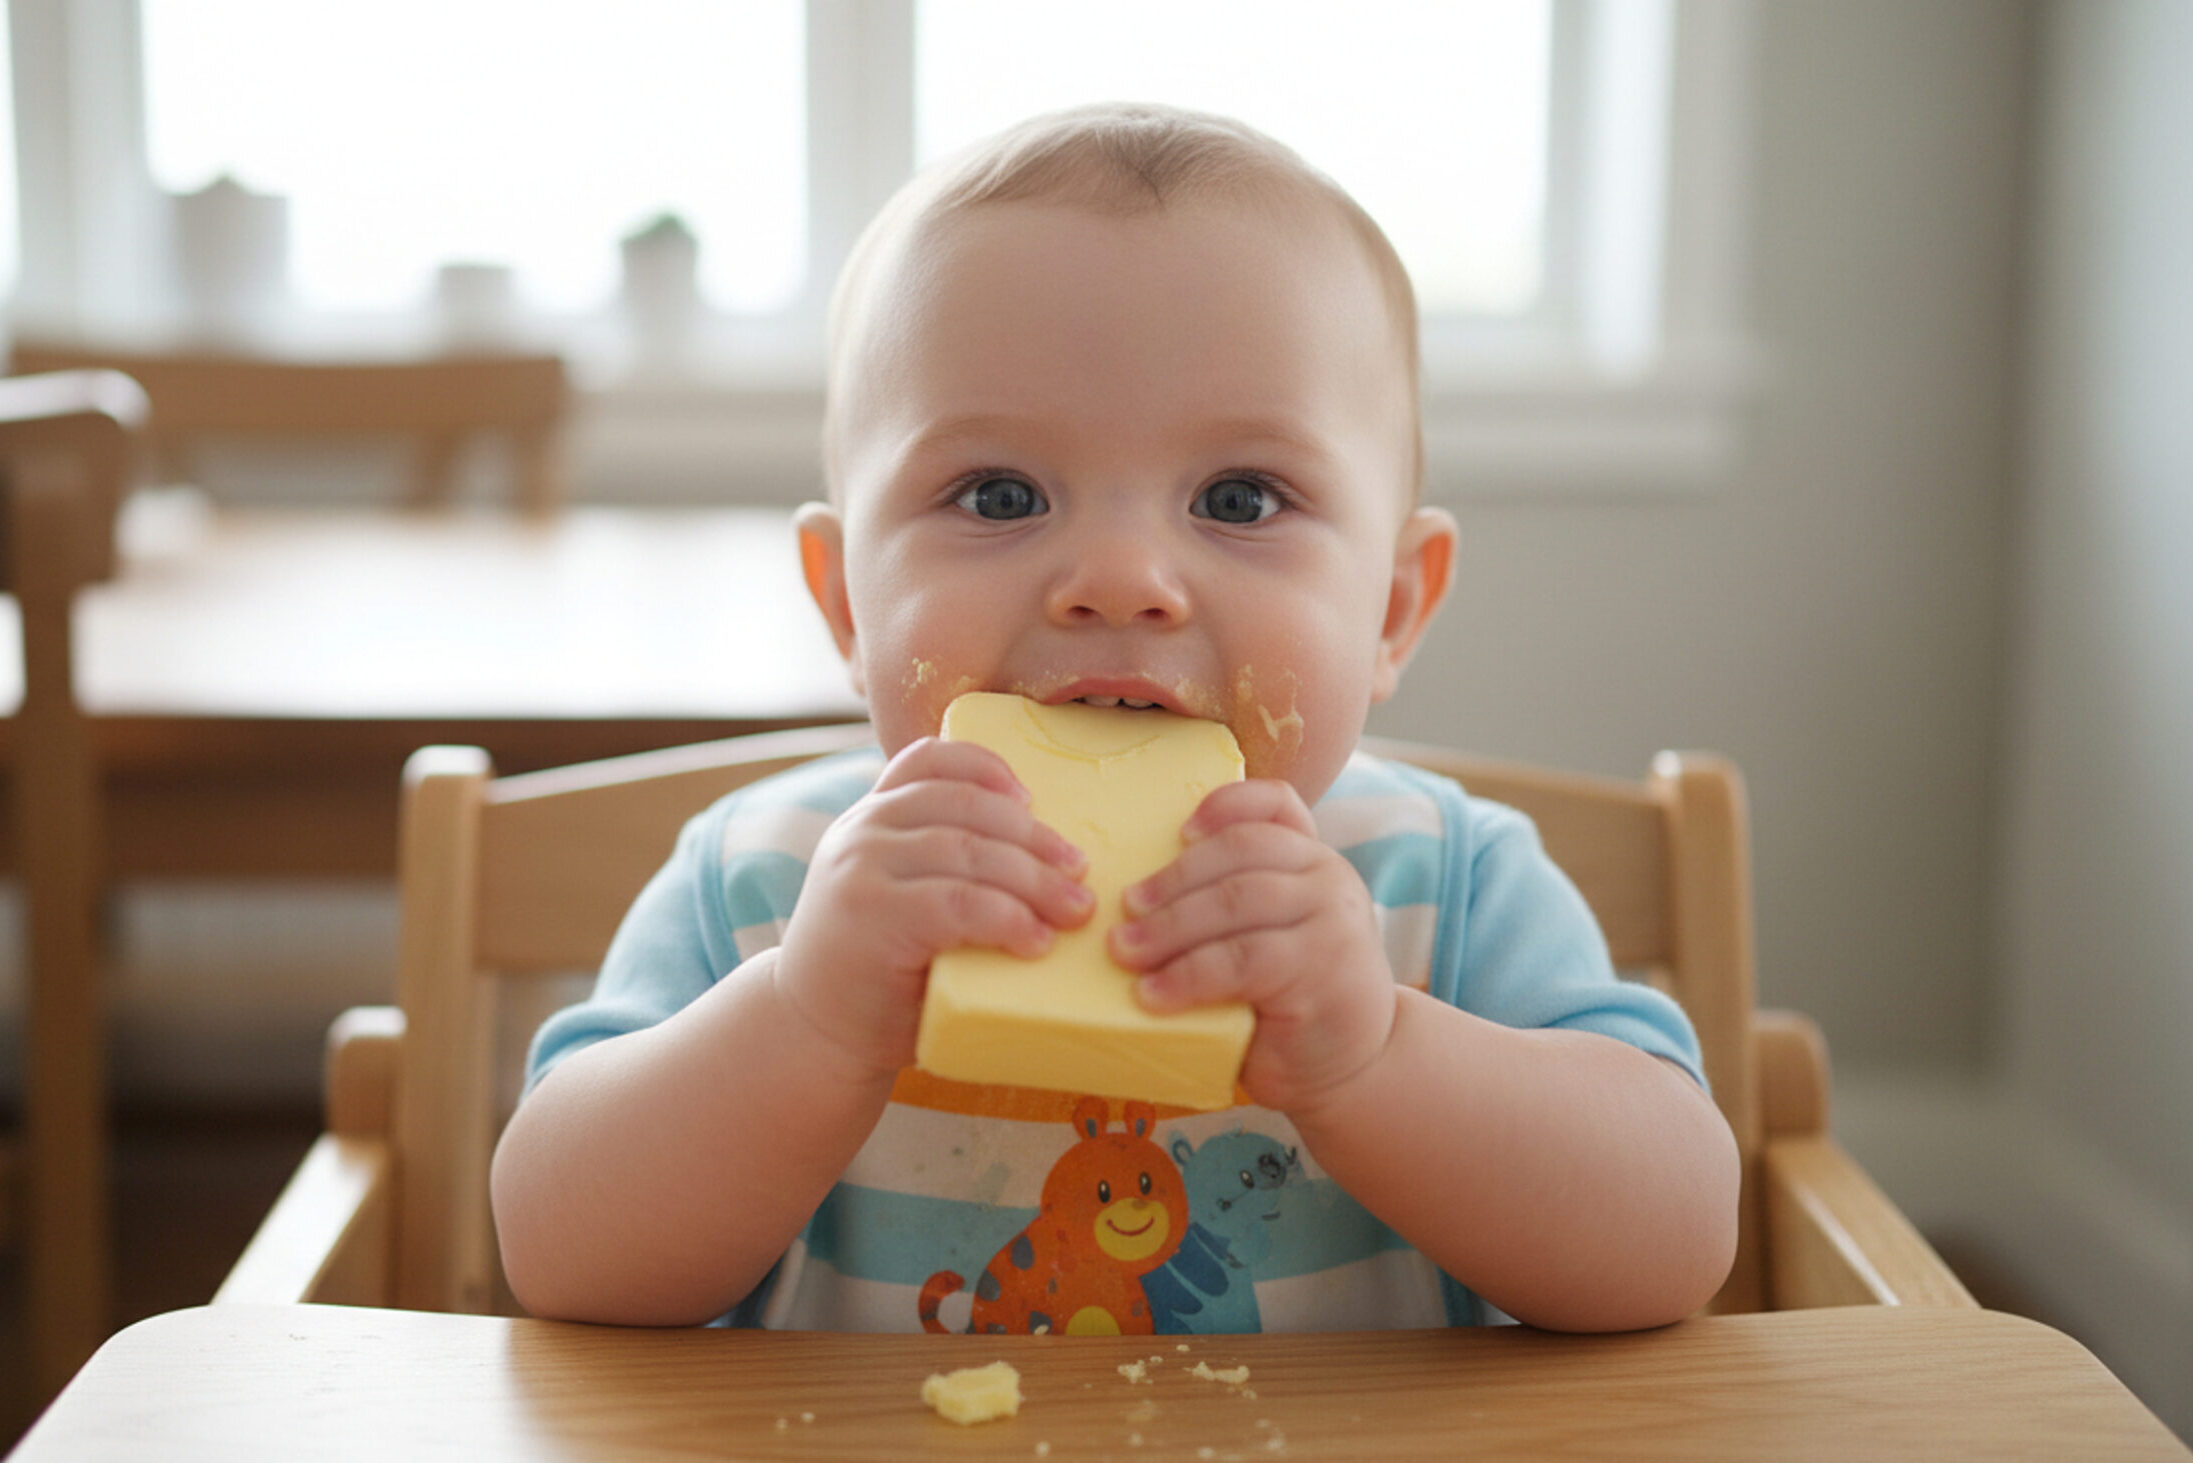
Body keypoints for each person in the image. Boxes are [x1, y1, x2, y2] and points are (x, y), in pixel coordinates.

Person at [492, 102, 1738, 1336]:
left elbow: (1676, 1236)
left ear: (1393, 610)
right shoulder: (766, 886)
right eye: (998, 492)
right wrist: (804, 1021)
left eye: (1241, 497)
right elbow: (557, 1251)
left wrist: (1376, 1057)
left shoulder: (1442, 888)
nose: (1123, 576)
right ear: (847, 603)